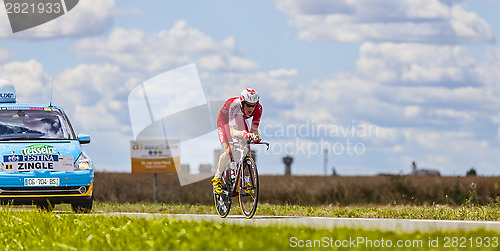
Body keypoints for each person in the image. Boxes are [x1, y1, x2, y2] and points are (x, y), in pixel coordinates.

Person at [212, 88, 262, 194]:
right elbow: (233, 132)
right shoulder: (233, 105)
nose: (251, 108)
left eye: (254, 105)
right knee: (230, 150)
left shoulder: (258, 109)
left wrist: (255, 137)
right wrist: (246, 134)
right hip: (225, 122)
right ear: (242, 102)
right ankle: (217, 179)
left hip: (240, 121)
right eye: (248, 105)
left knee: (248, 150)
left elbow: (254, 130)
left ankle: (247, 180)